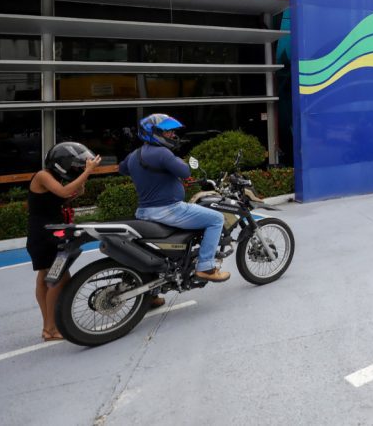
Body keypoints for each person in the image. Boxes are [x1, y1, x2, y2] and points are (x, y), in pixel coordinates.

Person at [120, 113, 230, 282]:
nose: (172, 135)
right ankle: (206, 267)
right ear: (153, 133)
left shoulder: (134, 155)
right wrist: (175, 159)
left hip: (143, 211)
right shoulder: (162, 153)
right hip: (168, 209)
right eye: (167, 132)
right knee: (216, 219)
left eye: (172, 131)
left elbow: (123, 169)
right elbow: (185, 172)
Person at [27, 142, 102, 341]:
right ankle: (50, 328)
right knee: (58, 279)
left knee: (47, 277)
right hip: (44, 235)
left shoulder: (55, 179)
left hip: (50, 232)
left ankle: (48, 327)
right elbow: (62, 193)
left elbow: (69, 195)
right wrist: (87, 172)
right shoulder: (43, 176)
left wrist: (83, 177)